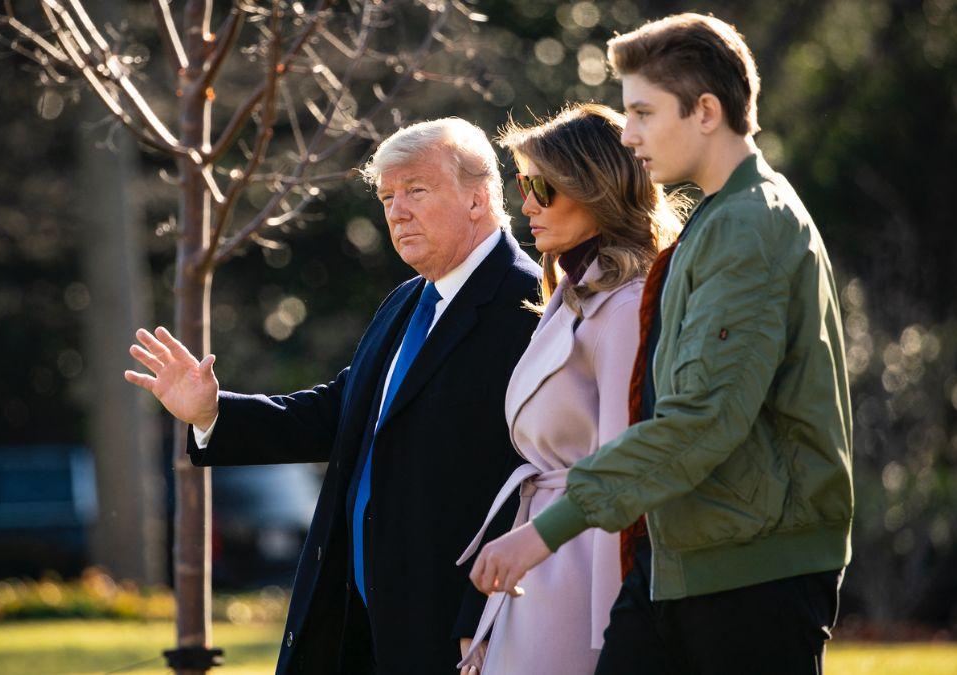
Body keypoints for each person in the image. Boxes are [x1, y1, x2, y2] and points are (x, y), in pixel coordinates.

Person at [468, 14, 853, 675]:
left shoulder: (749, 228)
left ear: (705, 111)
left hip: (750, 575)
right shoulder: (719, 219)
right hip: (689, 562)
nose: (628, 134)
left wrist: (544, 532)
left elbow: (701, 418)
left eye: (643, 113)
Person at [124, 117, 541, 674]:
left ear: (478, 198)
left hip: (456, 625)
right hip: (362, 617)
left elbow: (532, 478)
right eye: (388, 197)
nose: (397, 211)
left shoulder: (529, 303)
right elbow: (338, 412)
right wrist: (213, 413)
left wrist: (481, 613)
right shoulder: (408, 300)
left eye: (416, 190)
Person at [453, 103, 679, 674]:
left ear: (595, 189)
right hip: (543, 560)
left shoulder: (626, 306)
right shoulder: (573, 294)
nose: (526, 203)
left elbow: (625, 474)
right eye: (522, 185)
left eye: (542, 187)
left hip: (581, 571)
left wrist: (616, 636)